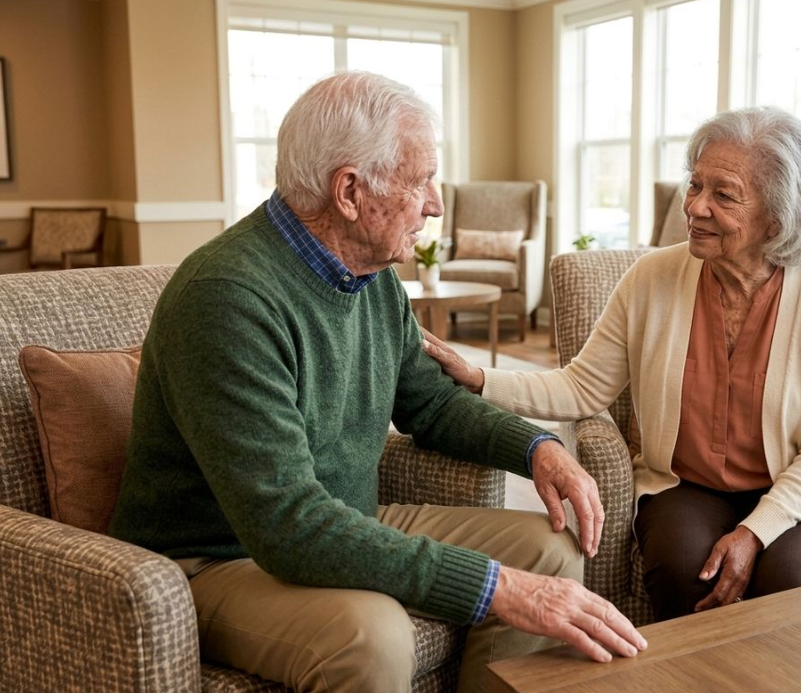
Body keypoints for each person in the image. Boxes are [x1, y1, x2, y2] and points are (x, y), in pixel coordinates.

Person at [108, 71, 645, 693]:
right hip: (213, 559)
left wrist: (537, 448)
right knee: (372, 636)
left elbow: (433, 405)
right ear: (350, 192)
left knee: (551, 548)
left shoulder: (371, 278)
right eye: (421, 181)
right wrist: (494, 587)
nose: (436, 204)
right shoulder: (227, 299)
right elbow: (288, 524)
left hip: (339, 520)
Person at [424, 106, 801, 622]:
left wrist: (754, 533)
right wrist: (480, 377)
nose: (695, 207)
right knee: (683, 569)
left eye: (724, 194)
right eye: (695, 186)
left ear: (777, 216)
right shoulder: (652, 279)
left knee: (794, 579)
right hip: (688, 484)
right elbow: (582, 387)